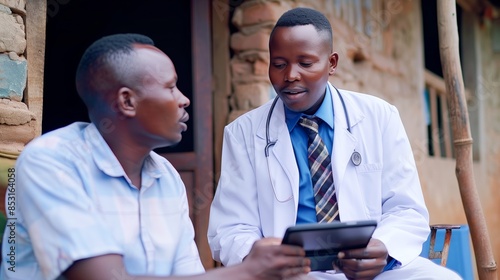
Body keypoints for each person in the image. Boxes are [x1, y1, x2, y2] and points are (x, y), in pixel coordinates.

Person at [0, 33, 311, 280]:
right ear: (127, 101)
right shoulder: (51, 162)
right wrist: (248, 271)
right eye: (171, 87)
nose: (184, 99)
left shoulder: (165, 176)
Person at [208, 7, 462, 280]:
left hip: (371, 270)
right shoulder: (243, 133)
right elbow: (231, 227)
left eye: (305, 63)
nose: (290, 75)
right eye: (279, 64)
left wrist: (382, 249)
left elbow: (406, 209)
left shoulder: (379, 117)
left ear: (332, 63)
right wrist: (258, 256)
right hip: (290, 274)